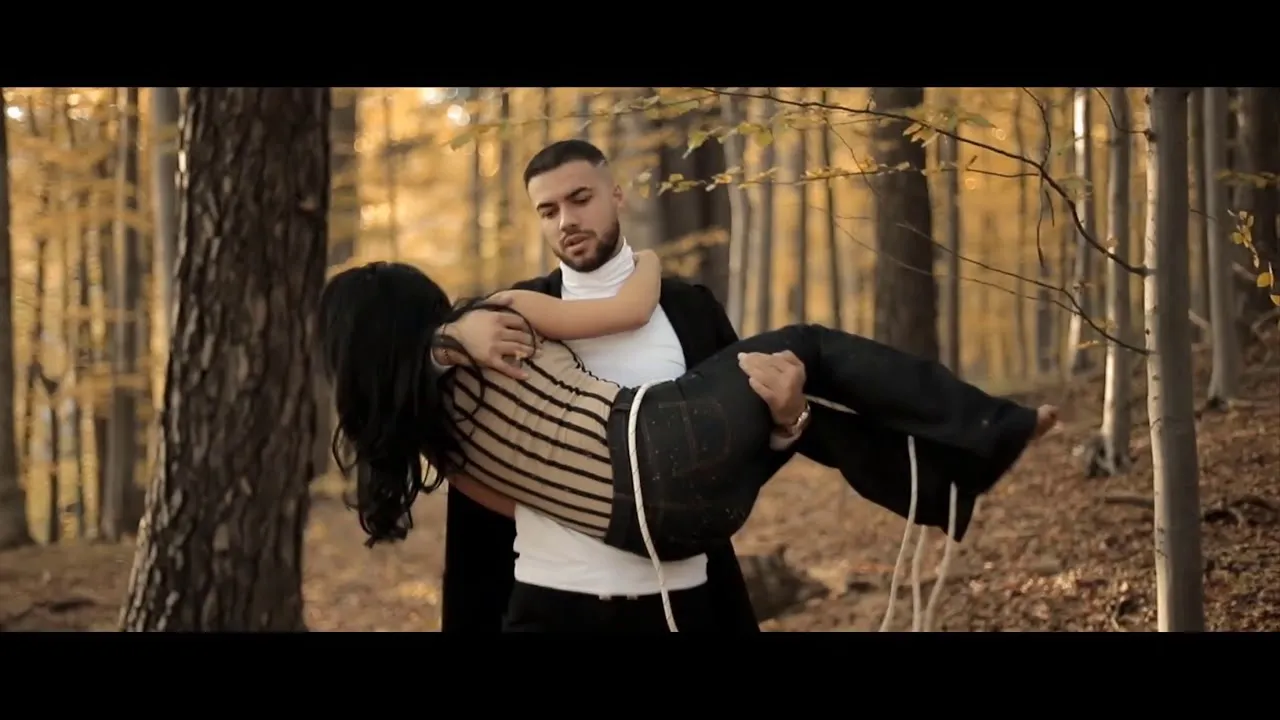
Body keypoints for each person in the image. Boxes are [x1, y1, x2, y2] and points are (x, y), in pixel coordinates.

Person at [320, 252, 1058, 629]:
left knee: (798, 402)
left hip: (665, 529)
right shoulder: (490, 319)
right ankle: (987, 428)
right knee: (809, 343)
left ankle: (946, 486)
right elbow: (630, 306)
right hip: (660, 451)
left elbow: (532, 508)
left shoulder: (438, 447)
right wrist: (646, 261)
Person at [435, 140, 811, 633]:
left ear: (617, 195)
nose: (566, 221)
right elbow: (430, 411)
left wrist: (787, 422)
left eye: (580, 199)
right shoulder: (510, 318)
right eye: (548, 211)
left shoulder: (689, 311)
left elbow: (736, 453)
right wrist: (449, 340)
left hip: (681, 602)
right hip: (548, 603)